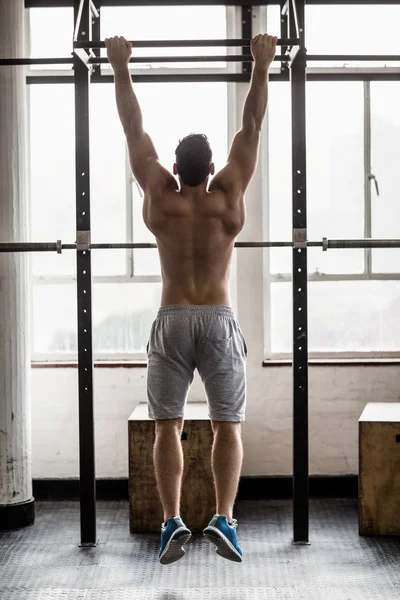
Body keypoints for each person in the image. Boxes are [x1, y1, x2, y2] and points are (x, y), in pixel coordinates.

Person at [105, 33, 278, 566]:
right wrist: (261, 65)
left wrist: (121, 66)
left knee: (167, 425)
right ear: (214, 168)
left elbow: (133, 129)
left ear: (176, 170)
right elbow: (251, 127)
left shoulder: (160, 198)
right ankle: (224, 518)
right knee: (228, 424)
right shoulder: (229, 198)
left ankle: (171, 521)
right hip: (219, 318)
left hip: (173, 317)